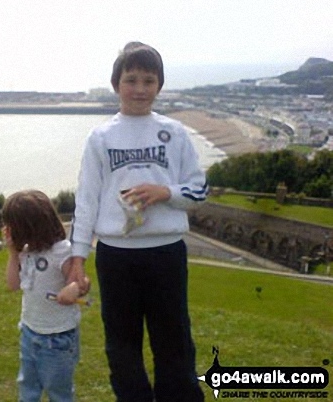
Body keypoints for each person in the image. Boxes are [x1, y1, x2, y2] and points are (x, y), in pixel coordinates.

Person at [69, 42, 207, 402]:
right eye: (132, 80)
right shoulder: (100, 137)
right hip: (117, 256)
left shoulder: (174, 133)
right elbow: (86, 200)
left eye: (149, 80)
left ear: (159, 85)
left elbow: (198, 189)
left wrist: (164, 192)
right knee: (121, 344)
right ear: (117, 84)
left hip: (166, 253)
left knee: (174, 341)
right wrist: (78, 257)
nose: (141, 89)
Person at [3, 189, 89, 402]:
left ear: (28, 226)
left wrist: (73, 289)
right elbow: (12, 285)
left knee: (58, 393)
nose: (7, 230)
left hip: (57, 339)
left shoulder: (62, 251)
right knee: (27, 389)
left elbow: (82, 281)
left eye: (12, 225)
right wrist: (13, 253)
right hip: (29, 333)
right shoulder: (25, 251)